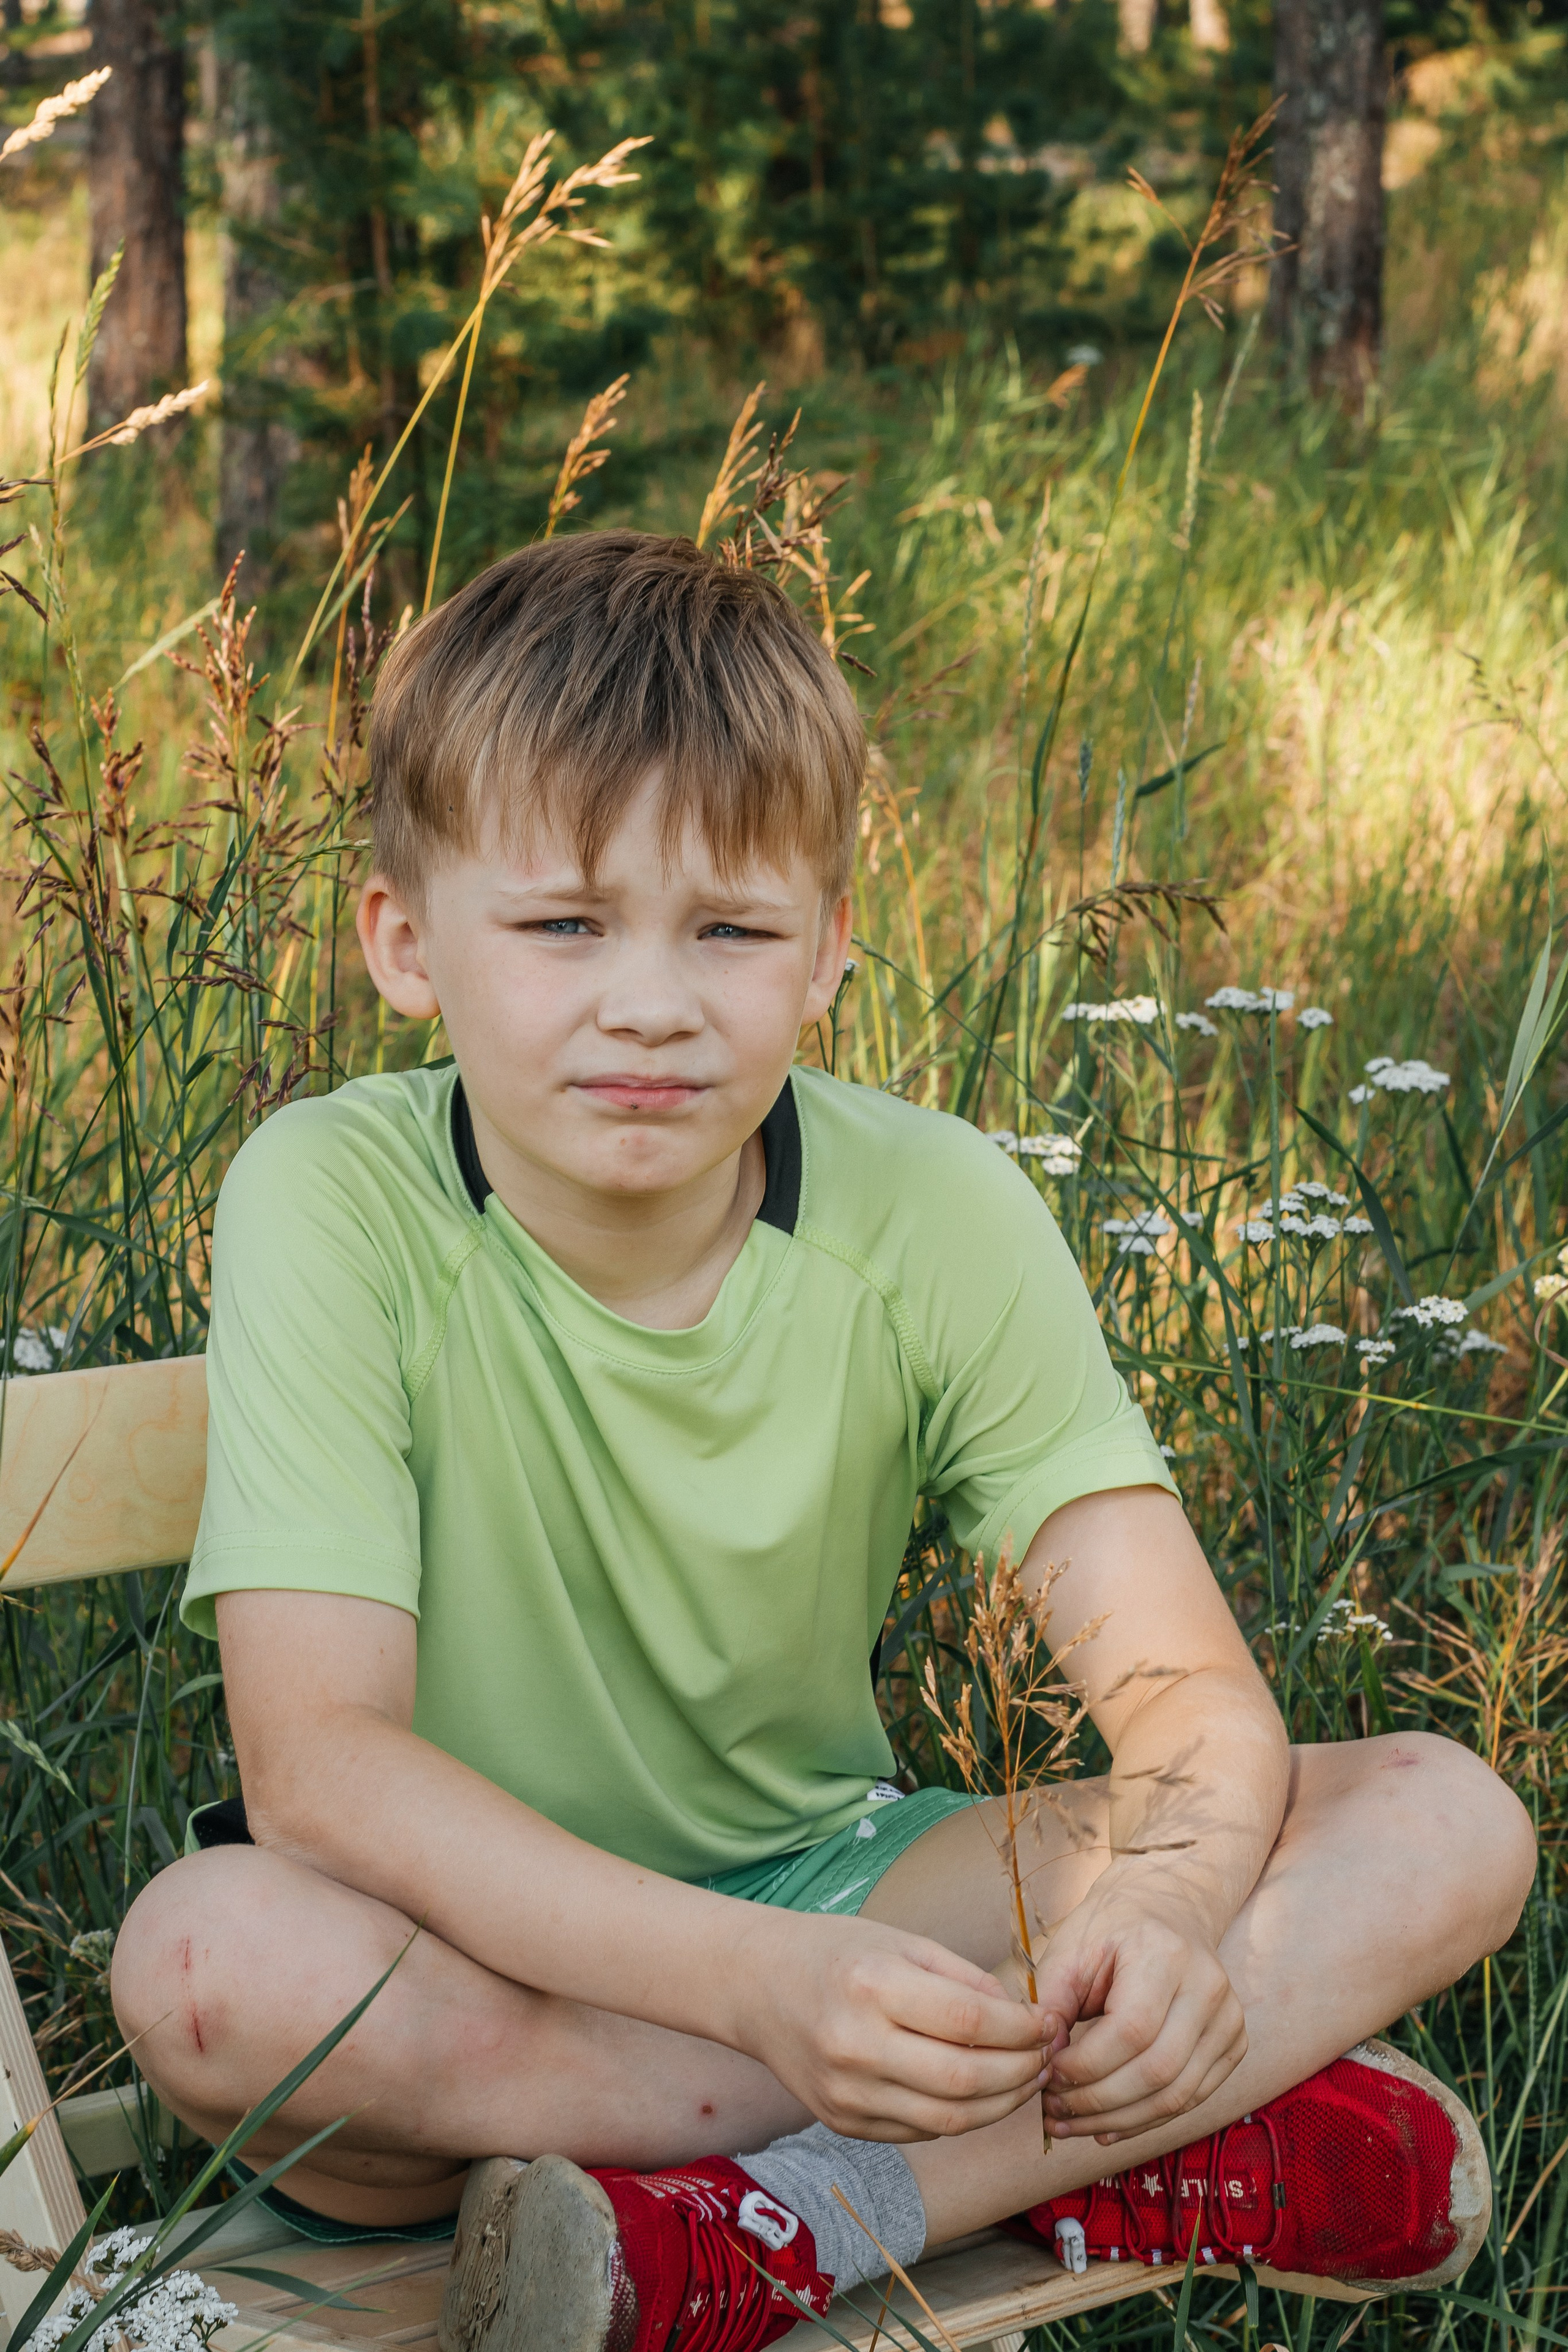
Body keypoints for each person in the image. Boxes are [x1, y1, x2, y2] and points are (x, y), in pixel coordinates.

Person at [111, 532, 1534, 2352]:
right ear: (407, 943)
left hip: (834, 1883)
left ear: (829, 955)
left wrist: (1176, 1917)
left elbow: (1188, 1695)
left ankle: (777, 2224)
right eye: (563, 924)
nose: (649, 1000)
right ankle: (1088, 2146)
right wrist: (762, 1985)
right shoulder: (329, 1195)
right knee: (209, 1966)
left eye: (731, 929)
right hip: (463, 1976)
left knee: (1443, 1815)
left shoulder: (934, 1206)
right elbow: (322, 1768)